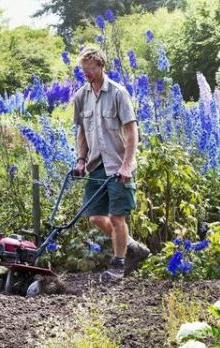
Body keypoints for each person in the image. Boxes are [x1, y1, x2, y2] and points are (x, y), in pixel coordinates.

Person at [72, 45, 149, 279]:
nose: (86, 74)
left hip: (118, 164)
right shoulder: (81, 96)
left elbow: (131, 131)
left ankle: (118, 265)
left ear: (101, 66)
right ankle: (132, 246)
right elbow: (82, 132)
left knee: (117, 217)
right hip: (96, 164)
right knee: (95, 217)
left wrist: (127, 165)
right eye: (83, 70)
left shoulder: (118, 93)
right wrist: (81, 160)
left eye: (90, 69)